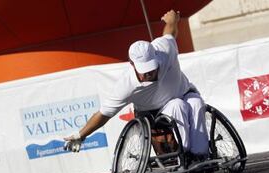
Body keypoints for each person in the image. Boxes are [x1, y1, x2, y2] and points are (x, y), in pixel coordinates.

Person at [64, 10, 209, 160]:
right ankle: (185, 155)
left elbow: (170, 33)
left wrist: (171, 20)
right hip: (157, 112)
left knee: (196, 102)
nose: (149, 73)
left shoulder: (165, 49)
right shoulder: (125, 85)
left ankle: (201, 154)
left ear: (156, 56)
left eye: (152, 68)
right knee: (178, 106)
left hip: (184, 93)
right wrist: (80, 135)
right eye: (144, 70)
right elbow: (103, 114)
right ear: (132, 64)